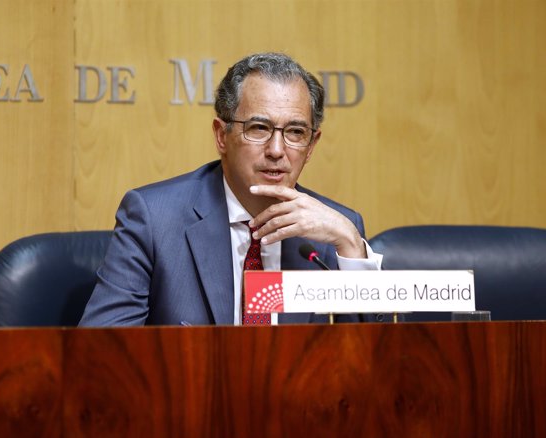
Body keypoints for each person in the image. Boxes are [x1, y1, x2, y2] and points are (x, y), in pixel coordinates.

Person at [79, 52, 382, 326]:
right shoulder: (154, 219)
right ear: (221, 136)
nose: (277, 150)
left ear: (311, 145)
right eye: (259, 128)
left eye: (295, 132)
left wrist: (352, 249)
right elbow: (103, 354)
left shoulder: (339, 233)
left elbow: (376, 365)